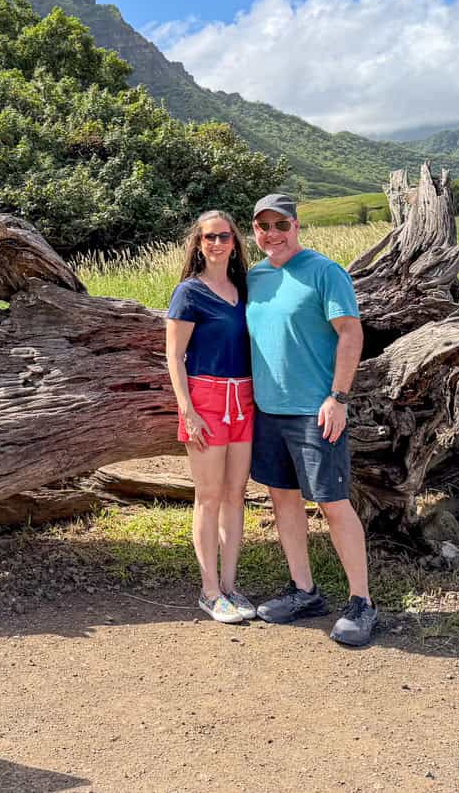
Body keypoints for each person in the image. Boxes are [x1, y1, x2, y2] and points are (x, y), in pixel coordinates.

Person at [244, 193, 377, 646]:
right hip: (267, 411)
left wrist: (338, 397)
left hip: (315, 412)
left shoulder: (325, 272)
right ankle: (305, 592)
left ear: (296, 226)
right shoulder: (256, 277)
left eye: (280, 225)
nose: (272, 234)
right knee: (282, 500)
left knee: (332, 504)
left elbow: (350, 333)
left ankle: (362, 602)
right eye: (263, 226)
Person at [164, 210, 257, 624]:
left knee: (237, 494)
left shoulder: (244, 288)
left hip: (245, 396)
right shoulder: (188, 292)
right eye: (209, 238)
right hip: (205, 398)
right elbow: (174, 356)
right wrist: (187, 408)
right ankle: (209, 590)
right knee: (210, 496)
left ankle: (232, 586)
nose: (217, 243)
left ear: (235, 242)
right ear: (198, 244)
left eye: (224, 236)